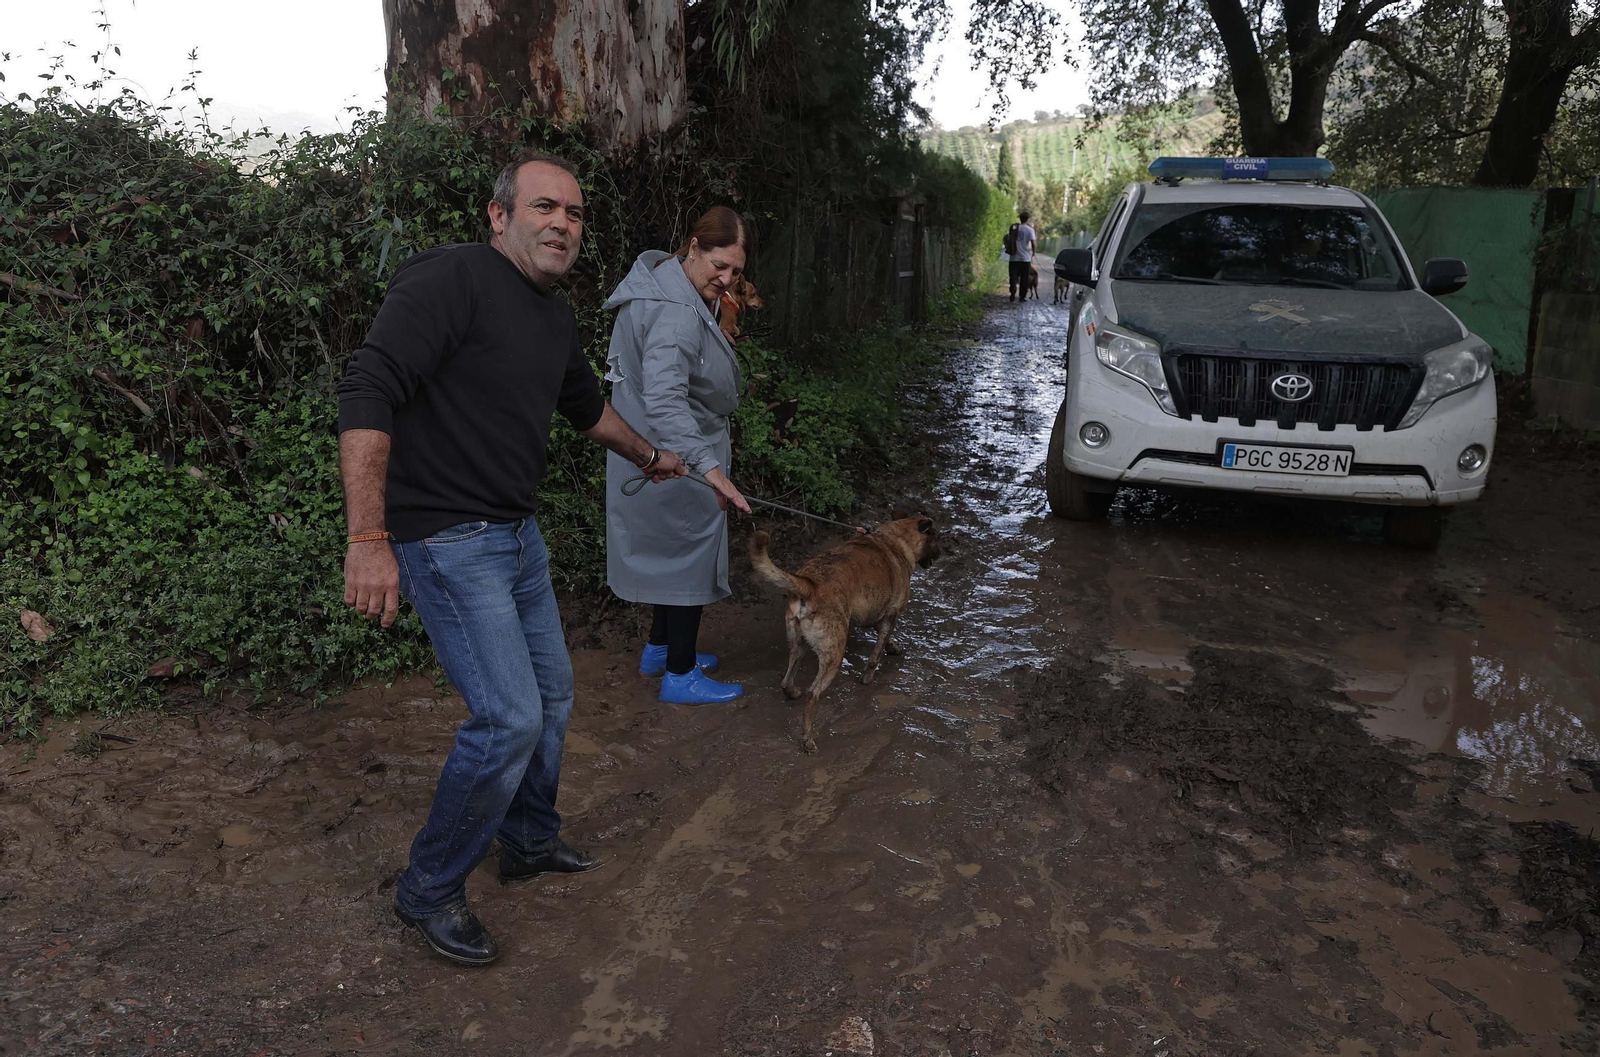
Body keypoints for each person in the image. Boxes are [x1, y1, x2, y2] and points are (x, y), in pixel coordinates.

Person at [336, 151, 687, 968]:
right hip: (448, 541)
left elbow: (584, 408)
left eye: (574, 212)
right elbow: (367, 387)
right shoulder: (450, 280)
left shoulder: (552, 315)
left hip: (516, 539)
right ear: (499, 217)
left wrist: (650, 454)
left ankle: (527, 840)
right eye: (544, 207)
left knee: (554, 696)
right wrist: (367, 538)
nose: (563, 222)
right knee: (507, 719)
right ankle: (427, 887)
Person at [603, 207, 755, 705]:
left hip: (656, 449)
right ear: (692, 247)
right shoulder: (675, 311)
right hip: (675, 456)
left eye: (736, 270)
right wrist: (712, 472)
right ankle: (681, 674)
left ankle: (660, 649)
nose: (727, 278)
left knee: (670, 557)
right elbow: (666, 400)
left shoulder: (669, 283)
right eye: (718, 264)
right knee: (688, 559)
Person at [1007, 208, 1037, 302]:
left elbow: (1008, 239)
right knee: (1024, 278)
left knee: (1013, 276)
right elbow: (1033, 243)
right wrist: (1033, 253)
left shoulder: (1014, 228)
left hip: (1014, 257)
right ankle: (1022, 296)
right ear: (1028, 219)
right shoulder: (1029, 230)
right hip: (1025, 258)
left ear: (1020, 218)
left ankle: (1012, 293)